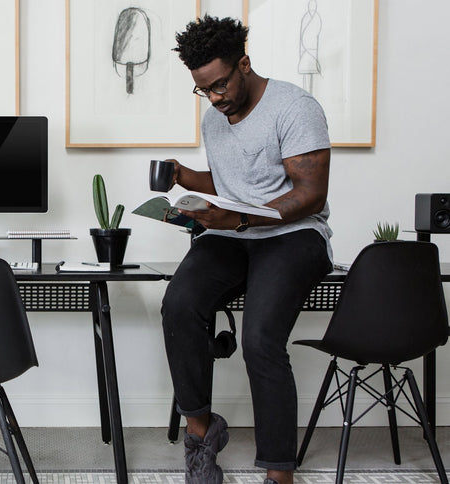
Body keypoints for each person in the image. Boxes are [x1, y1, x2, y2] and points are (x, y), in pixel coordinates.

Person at [160, 15, 333, 484]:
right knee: (178, 304)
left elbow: (309, 193)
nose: (214, 99)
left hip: (293, 235)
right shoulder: (215, 119)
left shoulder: (294, 107)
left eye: (219, 85)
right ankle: (201, 433)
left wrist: (236, 218)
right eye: (203, 90)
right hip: (233, 236)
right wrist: (185, 178)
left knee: (259, 340)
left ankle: (279, 471)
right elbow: (231, 182)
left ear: (244, 63)